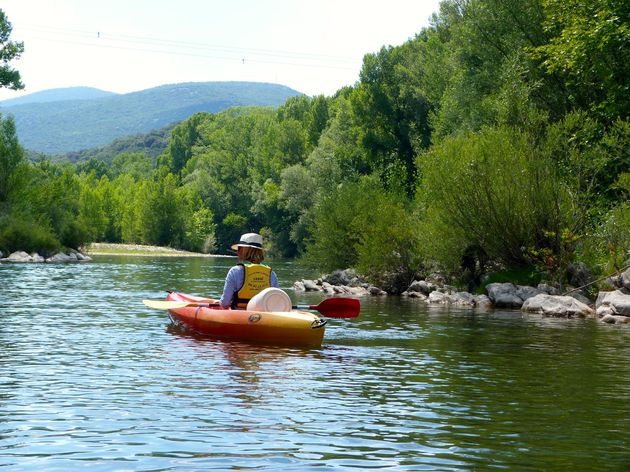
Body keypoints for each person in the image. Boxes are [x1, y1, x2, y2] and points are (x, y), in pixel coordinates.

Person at [219, 232, 279, 308]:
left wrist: (220, 302)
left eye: (240, 248)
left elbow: (225, 303)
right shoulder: (271, 274)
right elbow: (276, 302)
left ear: (246, 250)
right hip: (264, 316)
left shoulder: (235, 271)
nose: (237, 251)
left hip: (239, 316)